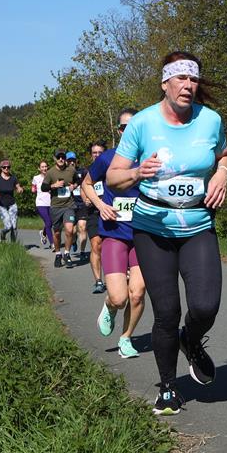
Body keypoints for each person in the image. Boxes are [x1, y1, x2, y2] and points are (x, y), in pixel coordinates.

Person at [108, 52, 227, 416]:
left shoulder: (210, 120)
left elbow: (224, 155)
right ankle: (167, 388)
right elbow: (113, 176)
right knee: (167, 311)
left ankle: (190, 340)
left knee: (206, 306)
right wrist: (137, 173)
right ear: (165, 83)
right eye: (180, 78)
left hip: (197, 224)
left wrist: (223, 174)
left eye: (193, 79)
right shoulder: (143, 123)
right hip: (153, 228)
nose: (188, 85)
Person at [82, 109, 145, 359]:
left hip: (143, 235)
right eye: (124, 127)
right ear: (119, 131)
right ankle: (109, 306)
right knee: (120, 298)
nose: (128, 130)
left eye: (133, 126)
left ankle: (126, 338)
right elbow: (86, 183)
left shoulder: (148, 158)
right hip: (115, 233)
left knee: (137, 293)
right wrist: (100, 205)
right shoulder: (108, 158)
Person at [42, 149, 78, 268]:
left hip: (69, 205)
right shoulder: (50, 172)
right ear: (55, 158)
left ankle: (67, 253)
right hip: (56, 206)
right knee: (57, 233)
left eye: (63, 157)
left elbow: (78, 180)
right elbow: (43, 187)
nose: (61, 159)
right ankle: (58, 254)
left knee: (69, 230)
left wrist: (74, 186)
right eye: (58, 157)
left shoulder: (71, 170)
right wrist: (54, 185)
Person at [83, 141, 107, 293]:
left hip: (110, 212)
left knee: (109, 246)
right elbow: (83, 187)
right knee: (96, 244)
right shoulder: (87, 171)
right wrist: (86, 198)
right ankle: (98, 280)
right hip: (93, 212)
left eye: (100, 153)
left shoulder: (111, 168)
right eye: (94, 153)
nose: (97, 155)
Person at [0, 159, 23, 242]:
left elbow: (18, 187)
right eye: (4, 167)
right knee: (8, 226)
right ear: (1, 168)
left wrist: (20, 190)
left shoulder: (13, 178)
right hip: (1, 205)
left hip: (12, 204)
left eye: (8, 167)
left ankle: (13, 246)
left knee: (14, 227)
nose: (6, 168)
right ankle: (2, 235)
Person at [68, 152, 89, 258]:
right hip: (70, 205)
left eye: (73, 160)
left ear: (76, 161)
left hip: (82, 204)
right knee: (72, 231)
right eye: (69, 161)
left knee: (82, 227)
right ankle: (73, 241)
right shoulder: (64, 173)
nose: (72, 163)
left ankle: (82, 251)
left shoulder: (83, 171)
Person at [31, 160, 53, 248]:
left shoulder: (51, 177)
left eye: (45, 166)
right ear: (39, 168)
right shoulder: (36, 178)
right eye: (42, 167)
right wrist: (33, 189)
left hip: (50, 203)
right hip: (40, 203)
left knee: (50, 222)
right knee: (48, 222)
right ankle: (52, 244)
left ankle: (43, 233)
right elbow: (33, 187)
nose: (44, 168)